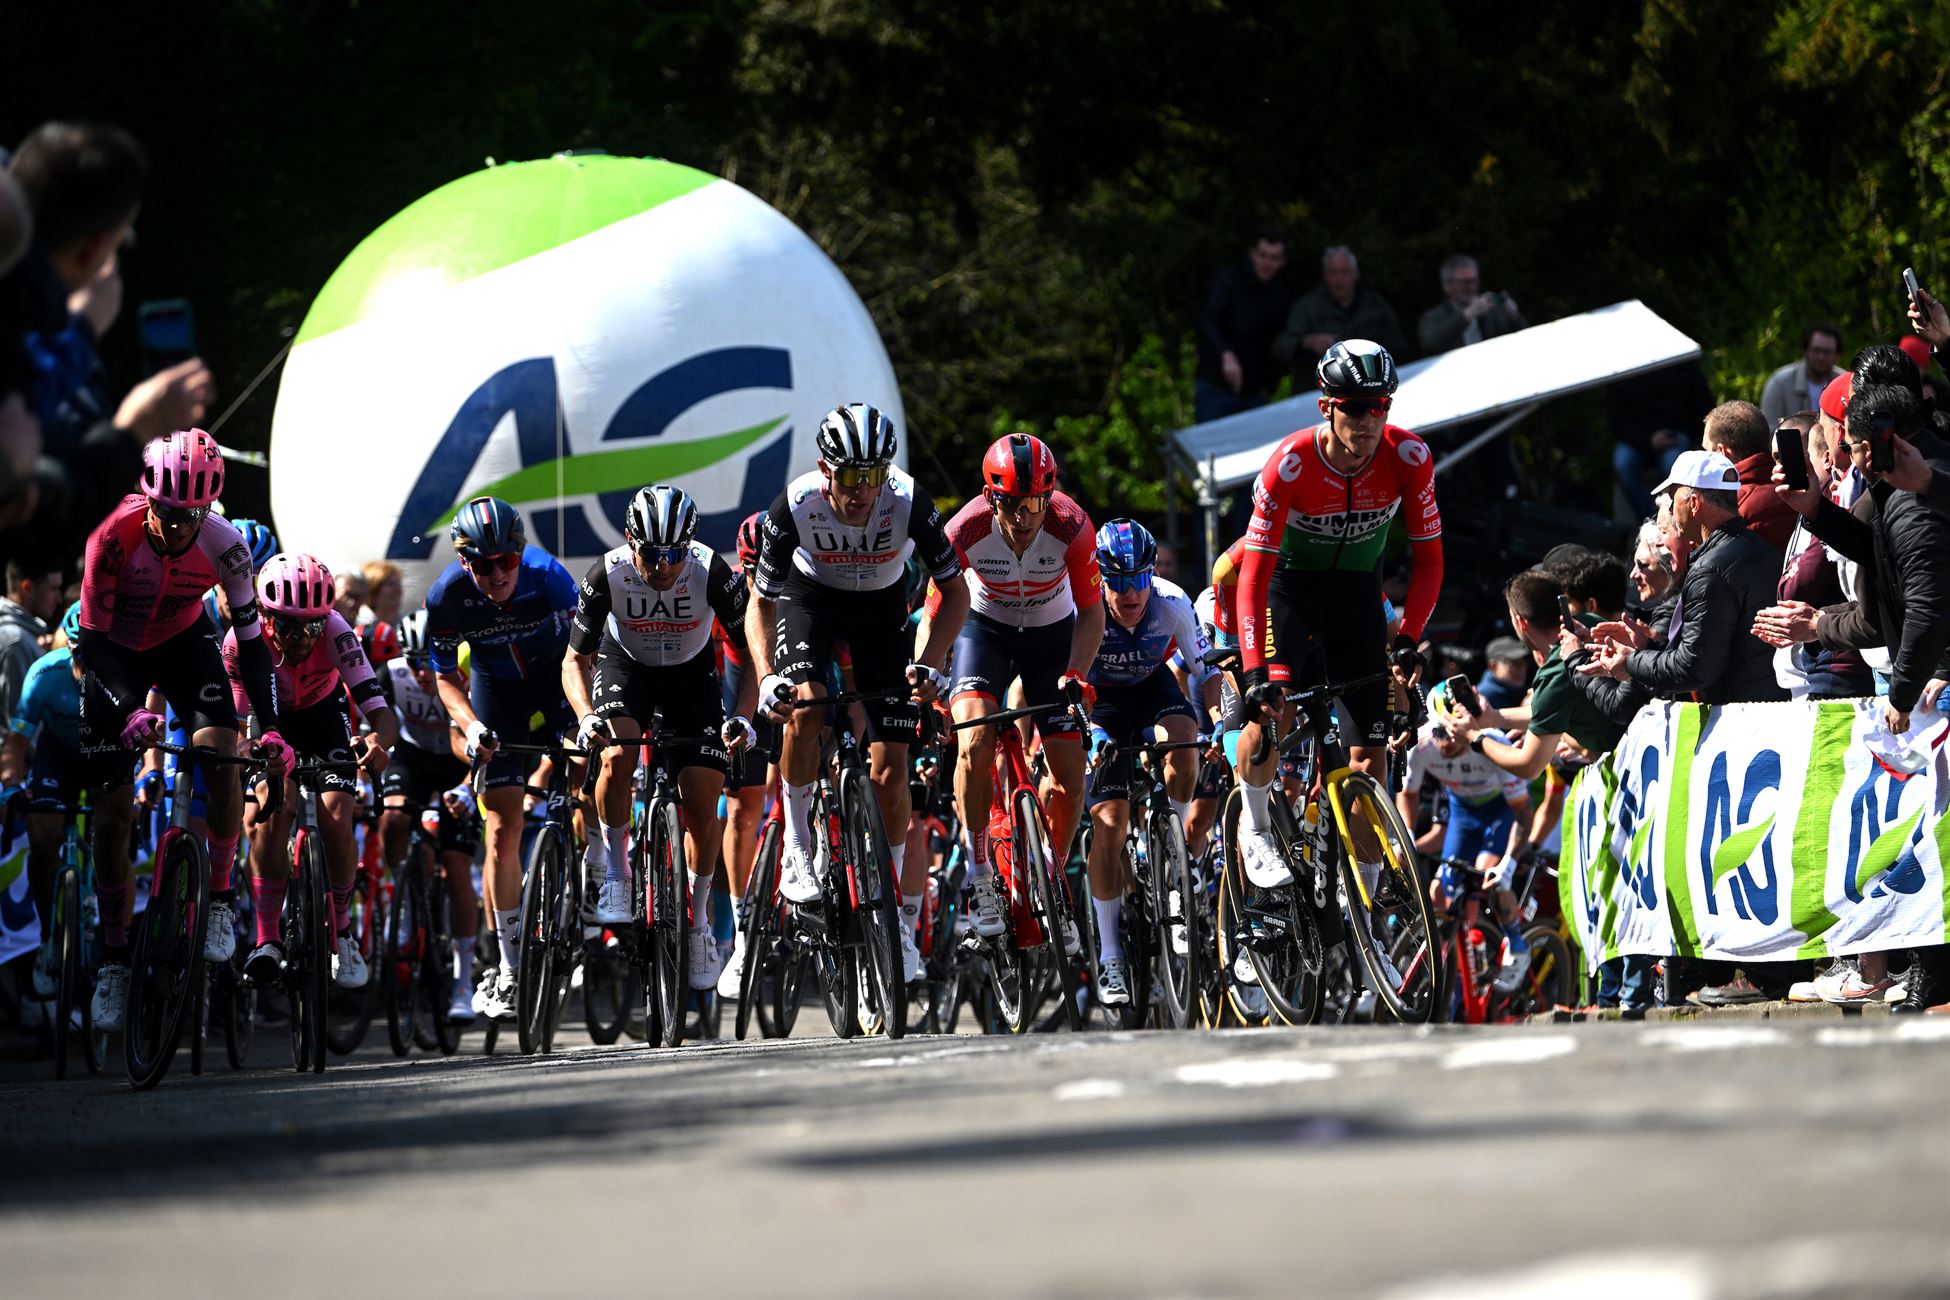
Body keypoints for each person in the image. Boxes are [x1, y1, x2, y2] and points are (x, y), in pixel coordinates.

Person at [1233, 340, 1441, 989]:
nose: (1367, 420)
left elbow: (1430, 559)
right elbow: (1254, 573)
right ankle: (1258, 828)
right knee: (1267, 715)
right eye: (1353, 407)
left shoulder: (1409, 457)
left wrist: (1407, 633)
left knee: (1368, 760)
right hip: (1287, 591)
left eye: (1378, 406)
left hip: (1356, 594)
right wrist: (1257, 666)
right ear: (1327, 406)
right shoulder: (1289, 464)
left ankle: (1362, 904)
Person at [73, 430, 288, 1032]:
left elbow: (252, 646)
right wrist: (129, 708)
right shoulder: (110, 535)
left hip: (182, 646)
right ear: (150, 499)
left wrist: (268, 729)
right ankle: (115, 957)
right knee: (112, 818)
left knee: (222, 759)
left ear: (207, 509)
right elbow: (90, 640)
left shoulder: (228, 546)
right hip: (115, 656)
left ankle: (219, 898)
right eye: (166, 511)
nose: (174, 525)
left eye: (189, 514)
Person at [749, 403, 968, 981]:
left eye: (872, 476)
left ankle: (891, 909)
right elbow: (761, 602)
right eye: (849, 477)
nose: (861, 491)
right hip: (811, 598)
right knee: (804, 708)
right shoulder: (794, 505)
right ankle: (799, 842)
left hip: (879, 607)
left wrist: (929, 662)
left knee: (892, 766)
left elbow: (956, 592)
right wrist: (768, 673)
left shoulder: (910, 501)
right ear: (826, 471)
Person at [563, 484, 756, 994]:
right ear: (632, 544)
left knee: (701, 799)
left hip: (691, 676)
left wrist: (744, 717)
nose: (665, 565)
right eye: (653, 553)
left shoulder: (712, 571)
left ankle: (697, 928)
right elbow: (573, 662)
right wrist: (585, 717)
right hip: (626, 667)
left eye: (675, 553)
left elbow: (752, 654)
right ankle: (618, 872)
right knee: (615, 754)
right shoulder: (606, 574)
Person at [939, 432, 1103, 939]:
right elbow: (937, 606)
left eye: (1034, 502)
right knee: (974, 740)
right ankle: (981, 873)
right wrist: (927, 667)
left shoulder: (1071, 526)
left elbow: (1093, 611)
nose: (1024, 516)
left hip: (1051, 637)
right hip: (983, 630)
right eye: (1011, 503)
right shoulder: (962, 530)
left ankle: (1049, 873)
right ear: (992, 498)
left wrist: (1075, 673)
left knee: (1071, 773)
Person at [424, 495, 580, 1022]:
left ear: (519, 552)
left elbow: (590, 650)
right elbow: (446, 677)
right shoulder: (445, 597)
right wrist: (470, 727)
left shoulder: (549, 576)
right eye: (484, 565)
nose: (497, 574)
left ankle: (601, 867)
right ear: (465, 563)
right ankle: (511, 964)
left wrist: (586, 715)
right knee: (500, 831)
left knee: (589, 757)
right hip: (498, 694)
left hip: (557, 680)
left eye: (506, 561)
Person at [229, 553, 399, 989]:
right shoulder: (240, 639)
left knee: (340, 818)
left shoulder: (339, 633)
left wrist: (380, 742)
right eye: (288, 626)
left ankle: (342, 928)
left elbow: (379, 712)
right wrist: (246, 745)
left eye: (312, 626)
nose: (302, 637)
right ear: (265, 617)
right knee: (270, 812)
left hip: (325, 719)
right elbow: (232, 721)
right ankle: (266, 939)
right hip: (269, 723)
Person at [1080, 519, 1218, 1004]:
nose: (1129, 592)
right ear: (1100, 578)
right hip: (1100, 704)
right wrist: (1089, 733)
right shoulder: (1081, 605)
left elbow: (1206, 673)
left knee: (1185, 740)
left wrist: (1220, 722)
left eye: (1138, 578)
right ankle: (1112, 954)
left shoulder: (1173, 602)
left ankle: (1174, 856)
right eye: (1116, 581)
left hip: (1151, 689)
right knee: (1111, 825)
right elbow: (1059, 680)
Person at [1576, 450, 1788, 705]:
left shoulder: (1710, 569)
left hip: (1741, 720)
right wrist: (1647, 647)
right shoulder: (1759, 548)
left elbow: (1694, 667)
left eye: (1673, 497)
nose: (1672, 511)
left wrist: (1631, 661)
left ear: (1694, 504)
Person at [374, 609, 482, 1026]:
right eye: (414, 662)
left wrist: (468, 788)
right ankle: (400, 894)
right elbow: (371, 721)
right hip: (414, 758)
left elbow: (487, 737)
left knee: (457, 869)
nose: (422, 673)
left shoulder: (466, 675)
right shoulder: (392, 673)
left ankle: (462, 981)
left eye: (430, 661)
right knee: (395, 818)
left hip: (459, 764)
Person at [1398, 681, 1534, 992]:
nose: (1445, 744)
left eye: (1452, 735)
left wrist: (1508, 866)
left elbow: (1524, 814)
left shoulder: (1492, 743)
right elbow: (1408, 794)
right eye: (1438, 733)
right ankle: (1456, 964)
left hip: (1500, 814)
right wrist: (1405, 835)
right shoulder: (1420, 746)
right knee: (1438, 895)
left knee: (1489, 876)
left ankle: (1517, 944)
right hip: (1464, 815)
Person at [1, 601, 85, 1016]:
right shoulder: (46, 673)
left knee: (115, 827)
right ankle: (50, 939)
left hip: (109, 755)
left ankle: (117, 955)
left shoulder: (129, 668)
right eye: (77, 654)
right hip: (59, 756)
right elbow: (16, 742)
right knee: (42, 835)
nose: (82, 667)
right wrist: (11, 785)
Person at [1272, 247, 1410, 389]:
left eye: (1345, 272)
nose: (1340, 279)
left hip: (1370, 390)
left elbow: (1397, 349)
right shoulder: (1307, 308)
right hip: (1320, 391)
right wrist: (1307, 342)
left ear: (1355, 274)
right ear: (1325, 276)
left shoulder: (1375, 305)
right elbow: (1281, 346)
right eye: (1334, 273)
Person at [1194, 227, 1292, 424]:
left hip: (1256, 394)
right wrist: (1226, 354)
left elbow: (1280, 342)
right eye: (1263, 255)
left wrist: (1269, 385)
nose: (1267, 263)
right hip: (1216, 387)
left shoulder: (1281, 294)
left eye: (1274, 258)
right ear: (1253, 254)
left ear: (1281, 262)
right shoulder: (1227, 280)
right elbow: (1207, 321)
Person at [1700, 400, 1797, 552]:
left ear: (1722, 452)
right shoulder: (1801, 491)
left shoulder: (1729, 508)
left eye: (1707, 451)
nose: (1705, 459)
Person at [1416, 254, 1526, 355]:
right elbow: (1429, 344)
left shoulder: (1490, 310)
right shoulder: (1433, 317)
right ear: (1447, 285)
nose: (1471, 287)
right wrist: (1465, 316)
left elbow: (1521, 335)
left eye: (1474, 281)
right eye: (1464, 282)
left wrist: (1514, 317)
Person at [1, 556, 61, 722]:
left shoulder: (20, 636)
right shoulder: (16, 642)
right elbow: (17, 721)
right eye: (53, 589)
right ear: (27, 588)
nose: (59, 598)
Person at [1759, 323, 1844, 427]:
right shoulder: (1780, 384)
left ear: (1837, 355)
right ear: (1806, 351)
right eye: (1816, 350)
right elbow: (1769, 430)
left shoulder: (1845, 384)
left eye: (1827, 352)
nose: (1821, 357)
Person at [1476, 637, 1530, 711]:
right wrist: (1523, 711)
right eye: (1514, 663)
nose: (1521, 668)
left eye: (1523, 662)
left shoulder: (1517, 688)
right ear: (1494, 666)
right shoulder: (1483, 699)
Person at [362, 560, 404, 627]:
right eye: (390, 584)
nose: (398, 590)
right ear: (373, 589)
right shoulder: (359, 626)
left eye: (398, 584)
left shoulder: (404, 623)